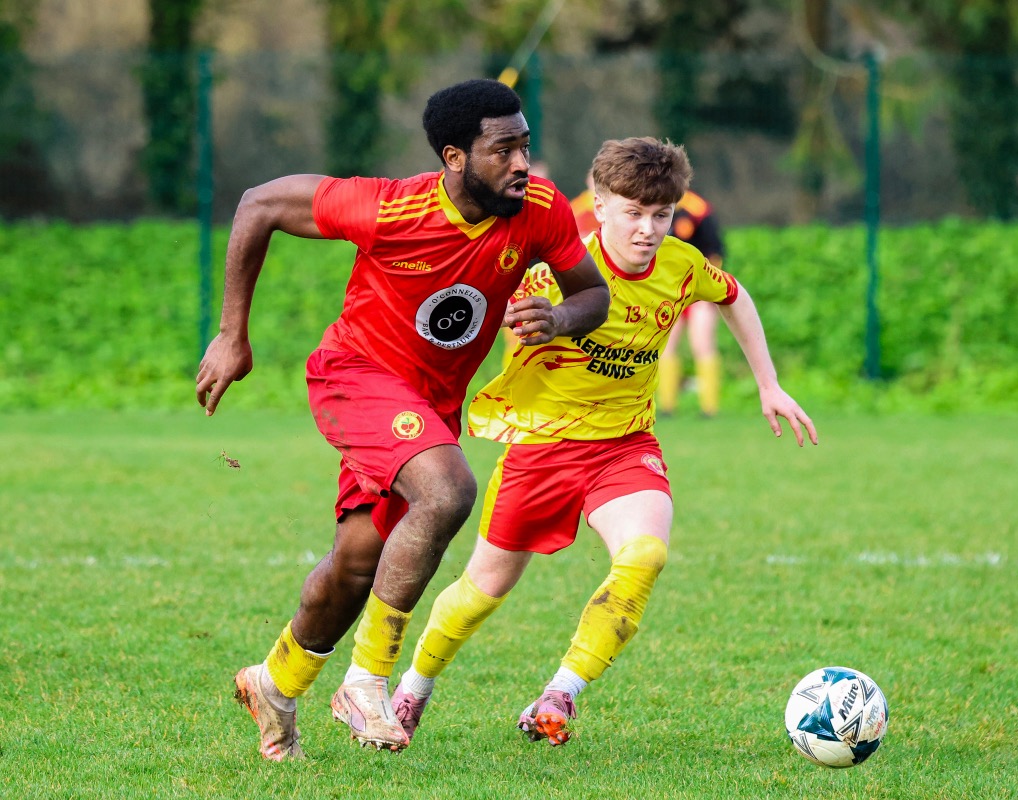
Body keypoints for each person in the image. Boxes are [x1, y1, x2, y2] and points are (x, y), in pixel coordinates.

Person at [194, 78, 610, 760]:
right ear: (454, 157)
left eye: (525, 146)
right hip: (355, 378)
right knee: (448, 491)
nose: (522, 163)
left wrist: (560, 318)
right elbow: (258, 203)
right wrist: (231, 334)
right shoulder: (389, 207)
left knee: (357, 565)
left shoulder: (539, 208)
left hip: (429, 406)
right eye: (503, 150)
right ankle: (366, 681)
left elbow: (592, 294)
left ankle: (274, 682)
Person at [388, 137, 817, 746]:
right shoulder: (555, 270)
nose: (648, 229)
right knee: (482, 591)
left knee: (645, 555)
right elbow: (467, 305)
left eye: (661, 214)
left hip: (624, 445)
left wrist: (768, 384)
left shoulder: (682, 265)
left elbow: (734, 296)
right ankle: (414, 687)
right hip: (540, 449)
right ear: (600, 204)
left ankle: (560, 692)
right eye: (633, 212)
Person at [658, 191, 726, 417]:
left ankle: (709, 408)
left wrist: (708, 289)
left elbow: (716, 251)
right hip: (669, 291)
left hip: (698, 292)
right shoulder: (654, 206)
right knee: (665, 346)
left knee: (702, 345)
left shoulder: (698, 209)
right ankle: (667, 406)